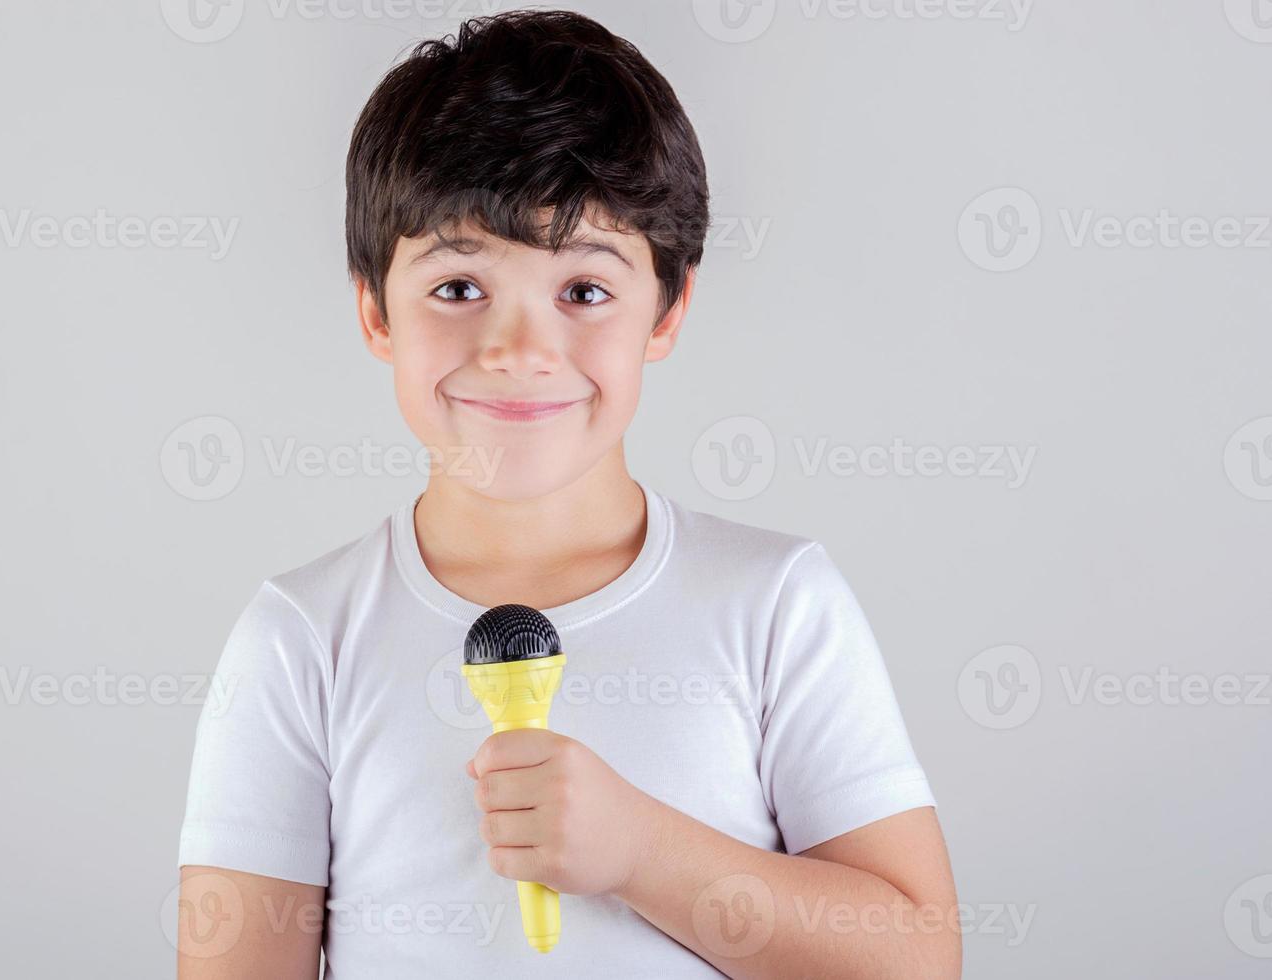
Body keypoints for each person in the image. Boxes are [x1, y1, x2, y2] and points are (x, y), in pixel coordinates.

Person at [176, 9, 959, 978]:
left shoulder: (777, 604)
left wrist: (639, 850)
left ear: (667, 308)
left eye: (584, 291)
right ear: (376, 309)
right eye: (459, 287)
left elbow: (916, 957)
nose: (519, 352)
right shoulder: (301, 638)